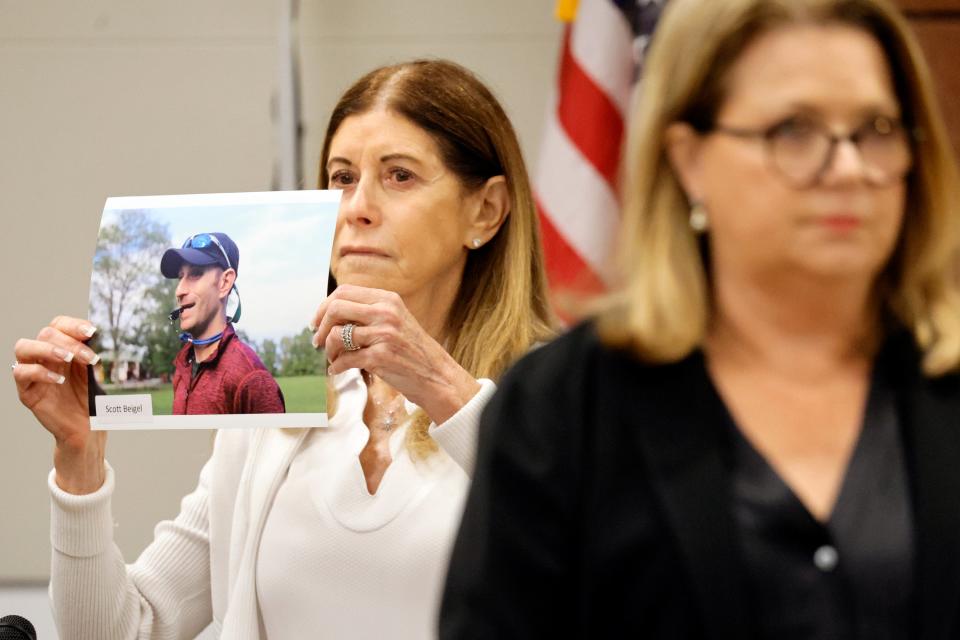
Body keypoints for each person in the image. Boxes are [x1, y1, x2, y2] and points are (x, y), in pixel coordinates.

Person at [440, 0, 960, 637]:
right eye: (794, 130)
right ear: (688, 159)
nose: (850, 169)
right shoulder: (562, 409)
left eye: (877, 129)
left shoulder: (946, 385)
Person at [11, 59, 553, 639]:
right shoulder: (278, 412)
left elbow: (589, 565)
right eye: (342, 177)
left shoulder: (559, 392)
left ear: (487, 211)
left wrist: (447, 392)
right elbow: (122, 631)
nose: (356, 207)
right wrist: (79, 462)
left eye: (399, 176)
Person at [160, 231, 286, 414]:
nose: (179, 290)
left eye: (195, 274)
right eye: (181, 277)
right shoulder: (183, 364)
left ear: (225, 282)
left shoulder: (251, 379)